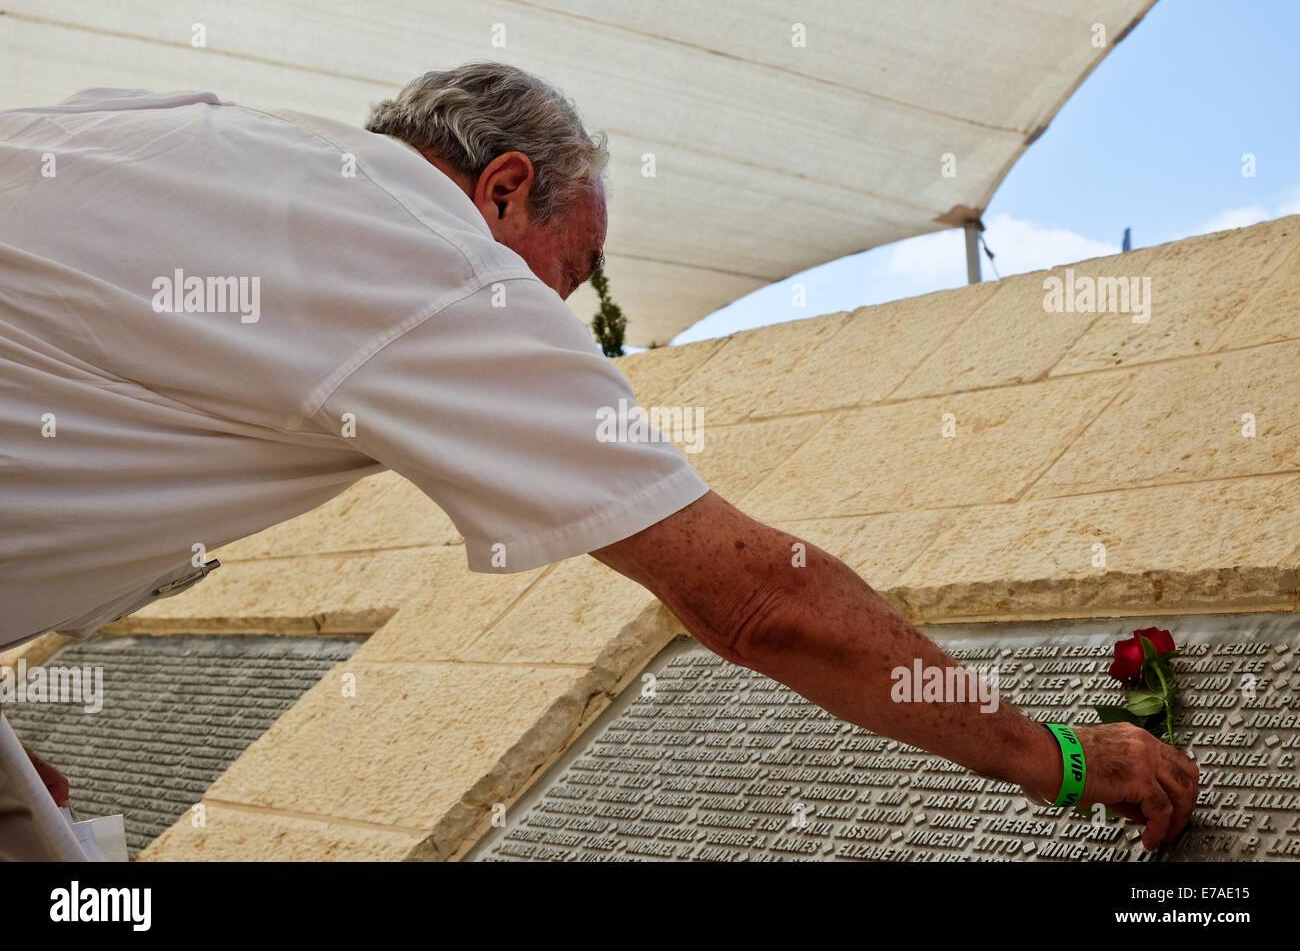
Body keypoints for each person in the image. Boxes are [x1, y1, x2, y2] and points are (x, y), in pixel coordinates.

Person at [0, 62, 1197, 860]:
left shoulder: (159, 122)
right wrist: (1059, 754)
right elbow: (757, 598)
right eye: (571, 277)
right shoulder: (436, 270)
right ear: (505, 189)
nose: (561, 322)